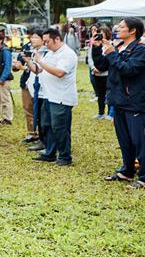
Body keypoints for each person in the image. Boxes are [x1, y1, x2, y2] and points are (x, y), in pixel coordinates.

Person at [93, 17, 145, 188]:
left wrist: (111, 53)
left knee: (139, 141)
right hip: (118, 101)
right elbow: (102, 66)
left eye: (121, 26)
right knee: (124, 140)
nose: (117, 29)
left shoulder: (142, 50)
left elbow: (128, 70)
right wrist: (98, 50)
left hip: (135, 102)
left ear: (132, 31)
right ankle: (127, 171)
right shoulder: (119, 46)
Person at [29, 28, 77, 166]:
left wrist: (41, 61)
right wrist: (29, 61)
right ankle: (50, 153)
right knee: (47, 125)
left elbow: (60, 72)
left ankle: (64, 156)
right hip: (49, 95)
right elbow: (40, 70)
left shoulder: (67, 54)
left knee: (60, 127)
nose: (45, 44)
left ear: (57, 39)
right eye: (44, 41)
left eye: (47, 41)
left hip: (61, 97)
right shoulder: (50, 53)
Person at [87, 25, 112, 120]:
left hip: (107, 74)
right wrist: (93, 68)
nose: (100, 35)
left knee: (109, 94)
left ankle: (110, 113)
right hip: (96, 74)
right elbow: (90, 57)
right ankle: (101, 112)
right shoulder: (93, 45)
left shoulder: (110, 45)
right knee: (100, 94)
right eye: (98, 33)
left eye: (102, 33)